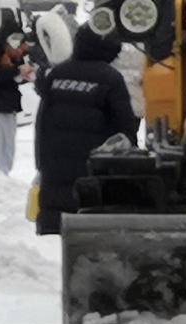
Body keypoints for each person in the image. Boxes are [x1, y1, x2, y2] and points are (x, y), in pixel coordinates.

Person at [34, 24, 139, 234]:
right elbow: (125, 128)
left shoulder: (57, 75)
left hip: (54, 167)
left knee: (57, 232)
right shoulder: (111, 78)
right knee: (87, 233)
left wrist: (41, 163)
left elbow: (42, 123)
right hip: (94, 171)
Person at [0, 21, 33, 175]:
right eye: (14, 37)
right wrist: (16, 71)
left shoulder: (14, 54)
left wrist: (24, 75)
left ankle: (5, 174)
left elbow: (15, 74)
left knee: (8, 146)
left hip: (10, 105)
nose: (16, 41)